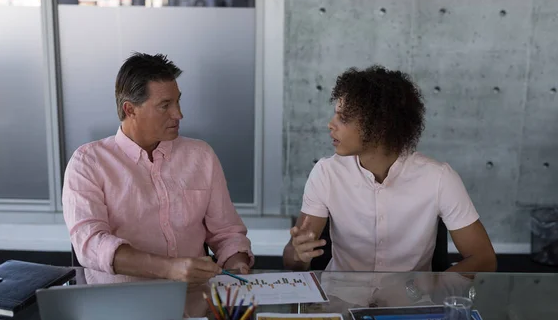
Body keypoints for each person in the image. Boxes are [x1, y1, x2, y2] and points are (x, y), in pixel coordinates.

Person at [63, 52, 253, 286]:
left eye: (178, 101)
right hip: (120, 303)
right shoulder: (88, 163)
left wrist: (236, 262)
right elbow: (90, 244)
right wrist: (169, 269)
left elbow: (227, 233)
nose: (178, 114)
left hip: (193, 299)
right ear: (130, 110)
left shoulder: (201, 156)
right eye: (165, 106)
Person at [283, 65, 497, 273]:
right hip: (341, 300)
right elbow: (293, 261)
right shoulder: (326, 173)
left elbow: (483, 259)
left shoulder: (439, 178)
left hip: (409, 304)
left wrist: (431, 291)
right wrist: (298, 254)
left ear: (379, 126)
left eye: (344, 118)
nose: (331, 124)